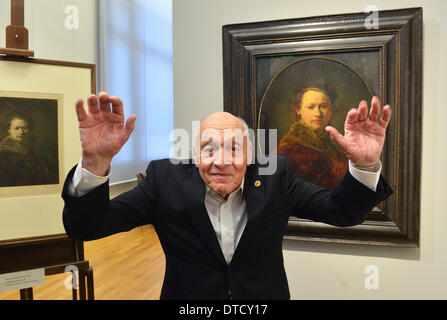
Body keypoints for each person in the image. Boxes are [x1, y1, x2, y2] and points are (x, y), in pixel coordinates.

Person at [62, 92, 393, 299]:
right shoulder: (164, 179)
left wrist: (364, 165)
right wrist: (96, 162)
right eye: (209, 148)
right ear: (194, 153)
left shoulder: (276, 176)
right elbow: (88, 228)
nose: (221, 160)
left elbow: (342, 212)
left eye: (234, 148)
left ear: (250, 153)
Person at [277, 86, 347, 188]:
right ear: (298, 110)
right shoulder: (289, 148)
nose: (318, 113)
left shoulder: (335, 147)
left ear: (331, 111)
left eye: (323, 106)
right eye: (311, 107)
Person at [0, 112, 46, 187]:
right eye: (16, 128)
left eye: (24, 128)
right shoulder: (3, 151)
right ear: (8, 129)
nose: (21, 132)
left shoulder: (28, 149)